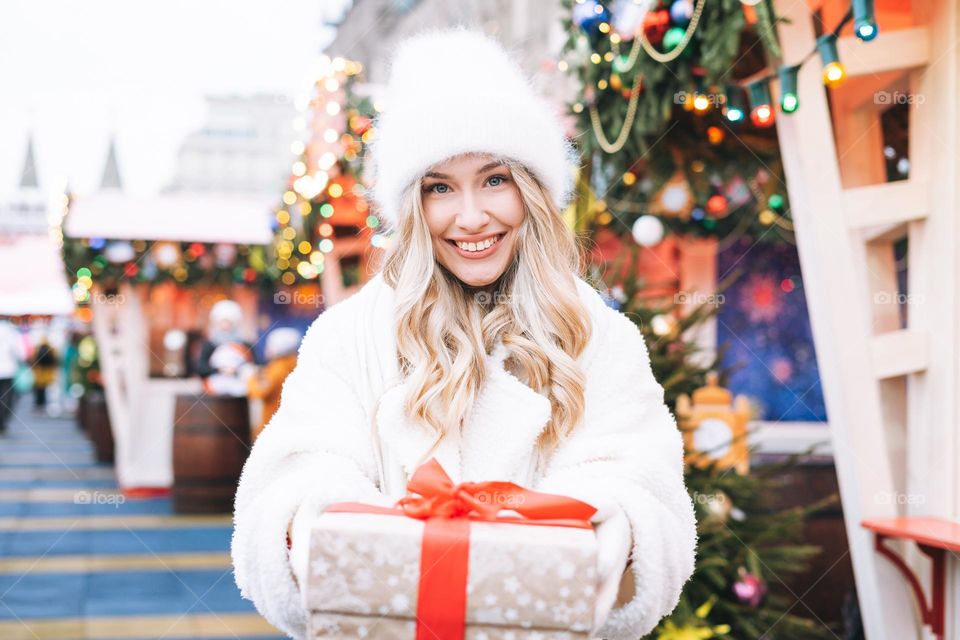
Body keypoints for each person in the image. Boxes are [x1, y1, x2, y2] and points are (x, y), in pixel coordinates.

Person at [231, 28, 696, 640]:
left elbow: (639, 480)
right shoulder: (349, 335)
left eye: (495, 179)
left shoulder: (598, 335)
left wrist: (589, 524)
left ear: (531, 190)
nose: (471, 217)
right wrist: (352, 529)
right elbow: (298, 473)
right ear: (411, 208)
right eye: (439, 187)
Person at [247, 327, 302, 442]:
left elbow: (261, 393)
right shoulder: (296, 364)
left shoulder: (277, 369)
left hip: (272, 423)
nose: (266, 349)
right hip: (290, 422)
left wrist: (251, 380)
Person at [0, 320, 24, 432]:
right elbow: (19, 351)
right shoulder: (10, 332)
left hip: (7, 369)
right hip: (7, 370)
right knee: (6, 397)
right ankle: (3, 422)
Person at [30, 336, 58, 414]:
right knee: (49, 389)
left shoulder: (37, 347)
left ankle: (39, 405)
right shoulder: (51, 348)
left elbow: (33, 359)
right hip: (49, 371)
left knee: (39, 389)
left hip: (39, 372)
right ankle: (49, 405)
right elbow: (55, 360)